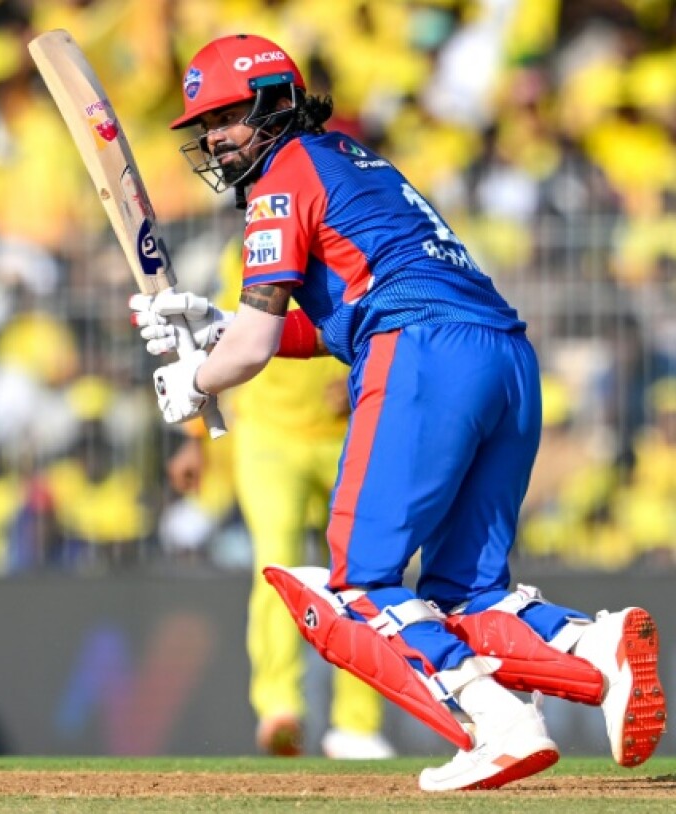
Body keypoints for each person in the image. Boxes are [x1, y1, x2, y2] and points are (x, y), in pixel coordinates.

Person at [133, 34, 666, 791]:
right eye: (205, 126)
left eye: (227, 117)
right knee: (468, 592)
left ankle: (499, 724)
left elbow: (255, 350)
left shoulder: (281, 177)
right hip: (505, 358)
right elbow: (332, 316)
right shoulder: (352, 157)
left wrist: (196, 380)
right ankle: (593, 645)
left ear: (276, 102)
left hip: (421, 354)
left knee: (363, 583)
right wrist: (215, 327)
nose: (215, 139)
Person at [157, 238, 393, 759]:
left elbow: (393, 317)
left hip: (351, 430)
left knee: (367, 574)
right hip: (268, 434)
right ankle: (279, 708)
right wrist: (197, 437)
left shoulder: (358, 237)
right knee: (276, 566)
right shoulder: (250, 245)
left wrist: (364, 379)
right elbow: (219, 338)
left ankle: (355, 724)